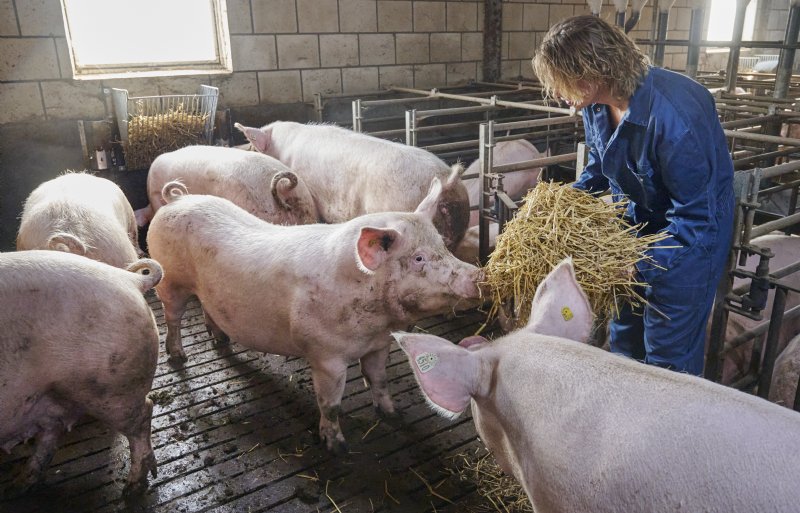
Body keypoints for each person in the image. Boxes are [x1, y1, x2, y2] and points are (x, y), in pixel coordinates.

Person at [532, 15, 734, 376]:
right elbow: (600, 165)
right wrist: (562, 205)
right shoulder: (596, 103)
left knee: (667, 356)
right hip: (633, 229)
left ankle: (667, 411)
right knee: (624, 335)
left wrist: (641, 263)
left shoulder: (676, 119)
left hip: (688, 243)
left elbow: (698, 218)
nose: (558, 93)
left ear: (591, 72)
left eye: (562, 80)